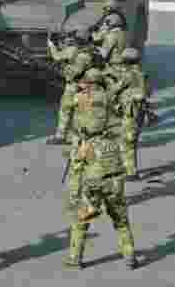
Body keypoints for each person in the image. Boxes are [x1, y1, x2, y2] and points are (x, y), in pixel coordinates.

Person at [63, 68, 139, 270]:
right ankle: (130, 256)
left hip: (94, 184)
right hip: (115, 182)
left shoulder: (86, 145)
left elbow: (77, 170)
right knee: (121, 222)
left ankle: (75, 258)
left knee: (81, 220)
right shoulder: (112, 141)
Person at [104, 48, 149, 180]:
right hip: (139, 111)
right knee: (132, 141)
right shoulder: (141, 73)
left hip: (131, 112)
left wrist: (110, 83)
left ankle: (131, 172)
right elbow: (148, 91)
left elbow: (114, 89)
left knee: (127, 142)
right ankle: (130, 167)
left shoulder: (128, 75)